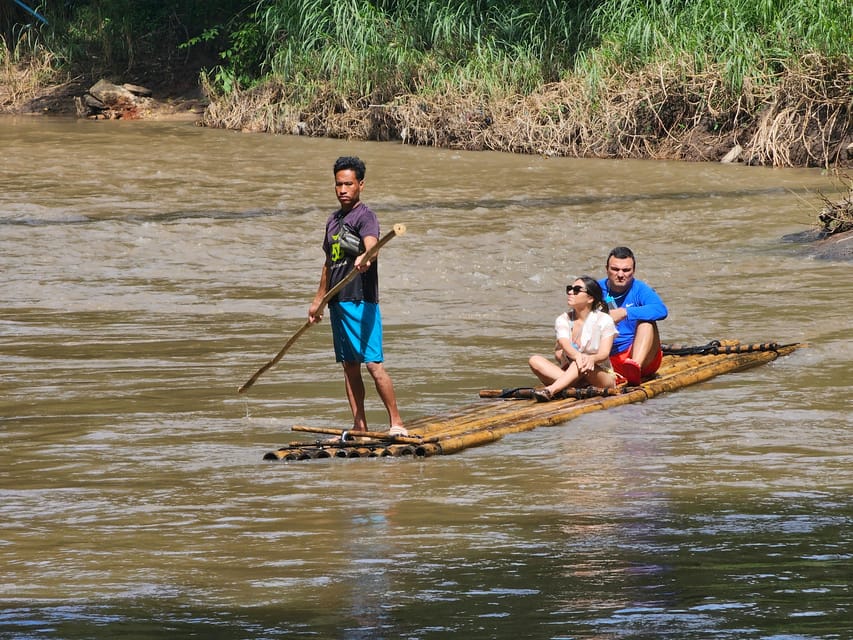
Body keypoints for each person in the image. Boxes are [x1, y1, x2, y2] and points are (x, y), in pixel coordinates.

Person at [308, 156, 407, 436]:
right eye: (338, 184)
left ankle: (396, 423)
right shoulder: (333, 220)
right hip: (338, 303)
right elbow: (328, 264)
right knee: (350, 366)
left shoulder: (365, 216)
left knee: (374, 364)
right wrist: (318, 301)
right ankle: (359, 424)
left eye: (349, 184)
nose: (343, 189)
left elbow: (372, 244)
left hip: (362, 301)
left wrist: (367, 256)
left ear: (360, 185)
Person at [528, 276, 618, 402]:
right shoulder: (563, 319)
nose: (570, 292)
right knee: (535, 360)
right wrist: (579, 357)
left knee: (580, 362)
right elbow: (565, 345)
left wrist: (590, 359)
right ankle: (569, 384)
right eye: (569, 289)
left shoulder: (604, 320)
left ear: (590, 298)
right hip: (571, 373)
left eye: (576, 290)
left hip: (599, 375)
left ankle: (552, 390)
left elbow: (604, 354)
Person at [598, 246, 668, 385]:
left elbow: (661, 310)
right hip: (606, 357)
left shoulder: (640, 289)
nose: (620, 274)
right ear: (606, 269)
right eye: (615, 269)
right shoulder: (595, 289)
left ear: (633, 271)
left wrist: (625, 312)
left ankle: (634, 367)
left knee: (647, 322)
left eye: (626, 270)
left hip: (638, 355)